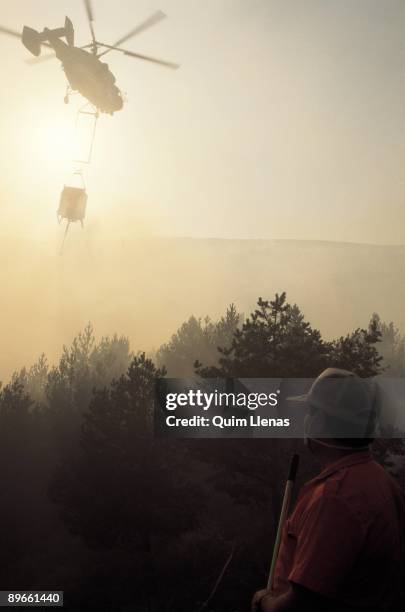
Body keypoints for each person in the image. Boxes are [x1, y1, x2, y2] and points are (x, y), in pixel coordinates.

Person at [252, 368, 405, 612]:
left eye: (310, 412)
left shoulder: (335, 499)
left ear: (320, 422)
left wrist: (265, 602)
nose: (305, 420)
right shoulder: (382, 481)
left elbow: (302, 604)